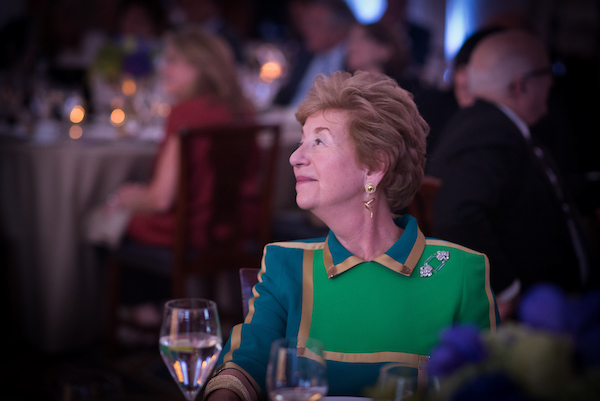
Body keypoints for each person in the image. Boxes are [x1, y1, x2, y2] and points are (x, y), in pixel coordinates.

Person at [203, 71, 499, 400]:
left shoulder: (459, 272)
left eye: (319, 142)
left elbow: (486, 389)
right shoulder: (285, 263)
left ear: (374, 166)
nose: (295, 157)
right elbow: (244, 365)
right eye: (301, 141)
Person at [428, 30, 597, 320]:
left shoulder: (485, 124)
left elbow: (535, 193)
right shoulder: (489, 133)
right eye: (548, 72)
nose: (552, 82)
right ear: (523, 85)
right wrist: (505, 289)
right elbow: (457, 216)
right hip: (541, 310)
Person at [105, 29, 255, 327]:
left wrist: (127, 197)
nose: (163, 68)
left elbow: (161, 200)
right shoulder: (242, 109)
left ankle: (144, 317)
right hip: (238, 226)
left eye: (173, 60)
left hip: (193, 229)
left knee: (113, 221)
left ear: (201, 67)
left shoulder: (185, 113)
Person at [272, 0, 356, 108]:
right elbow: (284, 95)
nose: (306, 30)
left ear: (338, 29)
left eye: (315, 24)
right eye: (306, 23)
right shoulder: (303, 54)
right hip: (287, 114)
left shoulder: (352, 58)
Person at [346, 21, 413, 87]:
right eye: (351, 41)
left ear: (384, 50)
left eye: (360, 40)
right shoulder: (344, 89)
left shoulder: (408, 90)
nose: (351, 47)